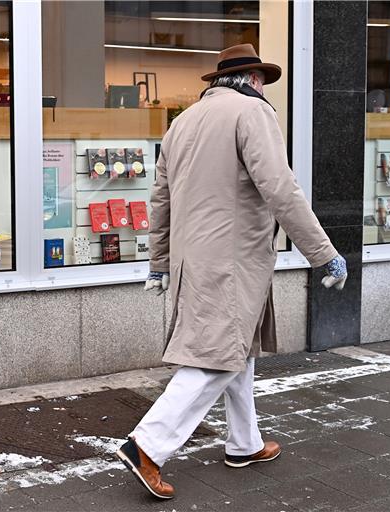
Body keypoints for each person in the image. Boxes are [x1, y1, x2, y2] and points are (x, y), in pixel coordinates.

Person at [115, 44, 348, 500]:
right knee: (216, 355)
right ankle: (146, 445)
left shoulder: (182, 122)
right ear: (254, 80)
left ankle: (245, 443)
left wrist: (159, 263)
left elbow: (160, 201)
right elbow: (280, 188)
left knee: (237, 349)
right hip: (233, 261)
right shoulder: (252, 112)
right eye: (263, 81)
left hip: (194, 259)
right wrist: (323, 253)